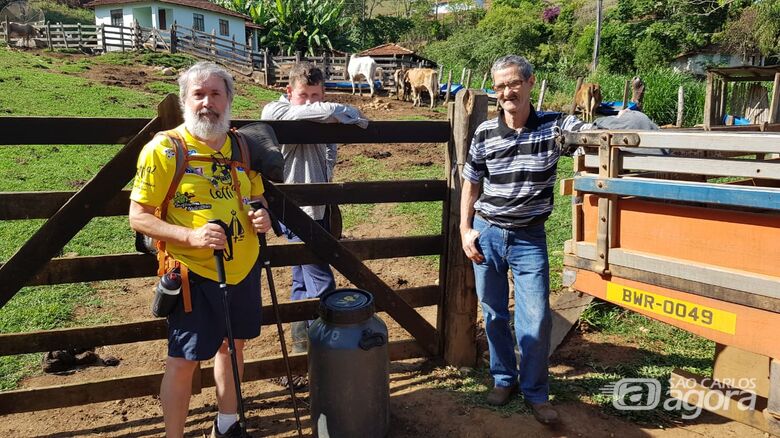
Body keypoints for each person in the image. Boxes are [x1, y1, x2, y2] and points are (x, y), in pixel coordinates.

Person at [129, 61, 271, 438]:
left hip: (243, 267)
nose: (207, 103)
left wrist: (262, 214)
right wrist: (190, 237)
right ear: (184, 101)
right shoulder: (164, 149)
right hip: (193, 273)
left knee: (234, 346)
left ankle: (226, 425)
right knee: (183, 360)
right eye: (198, 94)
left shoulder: (241, 144)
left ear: (229, 100)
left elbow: (255, 193)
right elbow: (138, 217)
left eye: (215, 94)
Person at [459, 55, 595, 425]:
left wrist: (593, 134)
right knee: (494, 313)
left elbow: (586, 134)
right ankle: (503, 379)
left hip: (529, 238)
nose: (506, 92)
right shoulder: (485, 133)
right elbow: (471, 182)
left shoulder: (553, 127)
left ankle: (536, 392)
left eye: (513, 83)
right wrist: (465, 229)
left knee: (535, 319)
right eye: (499, 86)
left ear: (530, 83)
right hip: (487, 232)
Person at [260, 62, 368, 387]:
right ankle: (335, 360)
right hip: (295, 212)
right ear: (288, 93)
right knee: (322, 282)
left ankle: (299, 358)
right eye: (303, 96)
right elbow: (305, 115)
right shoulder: (276, 111)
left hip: (318, 209)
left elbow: (334, 145)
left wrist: (340, 116)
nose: (310, 103)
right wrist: (339, 112)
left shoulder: (322, 120)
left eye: (316, 96)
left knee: (301, 282)